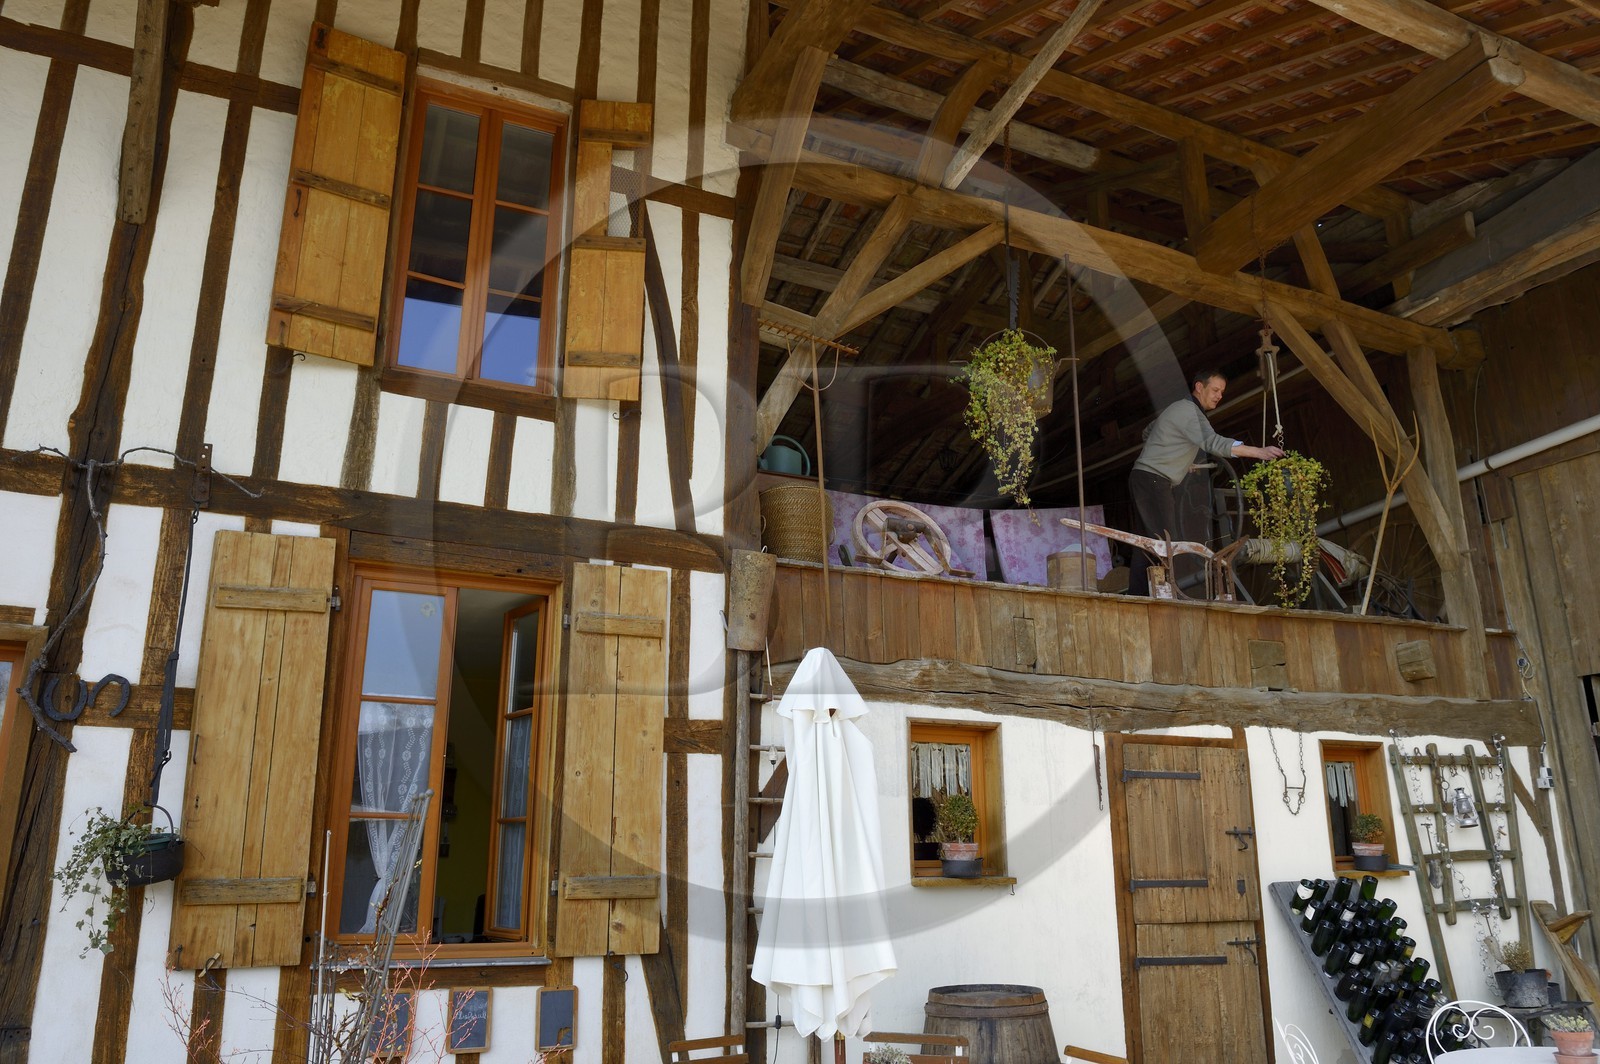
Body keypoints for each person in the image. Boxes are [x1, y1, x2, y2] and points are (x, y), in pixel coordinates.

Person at [1128, 369, 1283, 596]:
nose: (1219, 395)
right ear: (1199, 387)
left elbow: (1148, 432)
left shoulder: (1178, 408)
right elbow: (1213, 442)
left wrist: (1178, 456)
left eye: (1222, 392)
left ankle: (1139, 594)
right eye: (1215, 390)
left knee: (1147, 540)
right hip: (1153, 480)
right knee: (1165, 538)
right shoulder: (1190, 412)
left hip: (1144, 478)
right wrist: (1258, 451)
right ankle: (1158, 594)